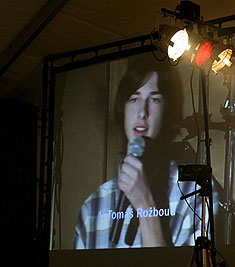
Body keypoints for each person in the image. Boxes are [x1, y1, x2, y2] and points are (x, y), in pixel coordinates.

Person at [74, 55, 205, 249]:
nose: (142, 112)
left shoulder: (193, 195)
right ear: (123, 108)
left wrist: (145, 204)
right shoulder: (92, 207)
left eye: (154, 100)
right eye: (134, 99)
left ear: (168, 111)